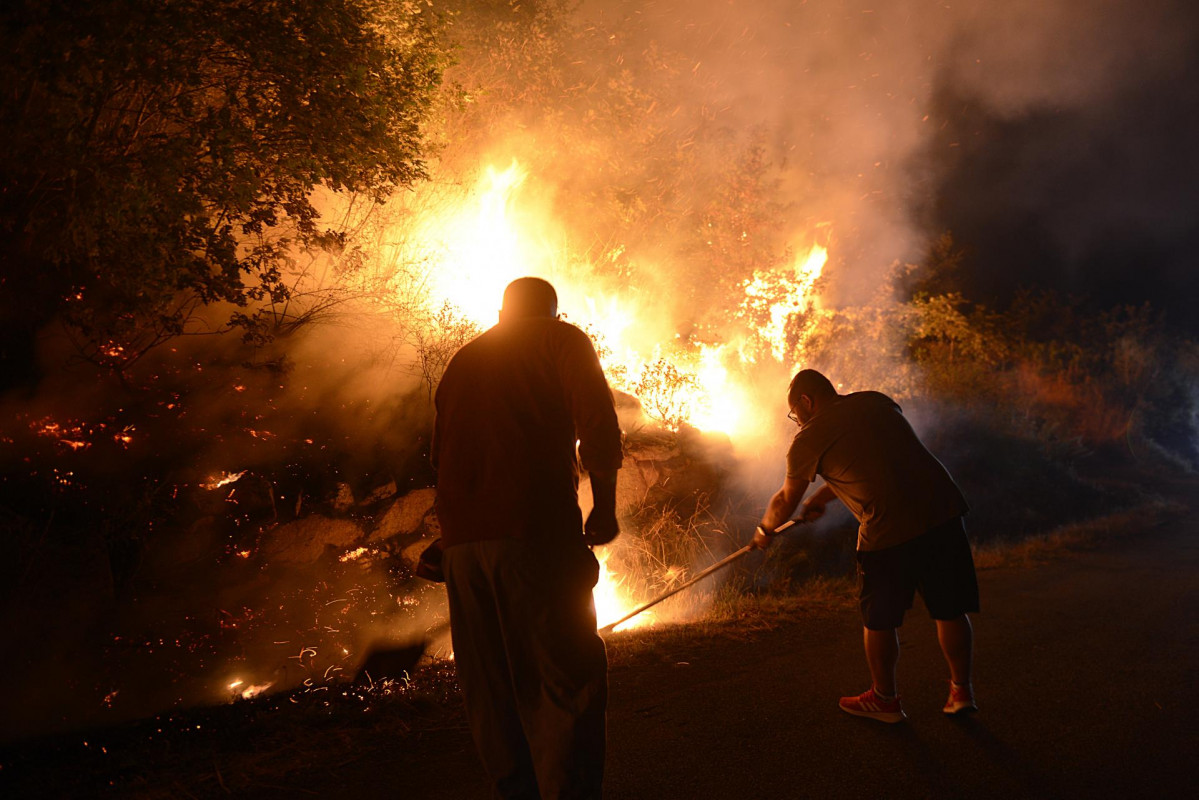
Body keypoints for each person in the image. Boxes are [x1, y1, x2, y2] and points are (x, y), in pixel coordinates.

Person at [432, 277, 622, 798]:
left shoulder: (461, 362)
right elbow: (599, 427)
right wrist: (602, 509)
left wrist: (448, 538)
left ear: (500, 313)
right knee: (564, 681)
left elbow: (444, 458)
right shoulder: (560, 339)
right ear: (552, 314)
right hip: (535, 534)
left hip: (463, 549)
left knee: (491, 691)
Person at [754, 369, 979, 723]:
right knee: (950, 608)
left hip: (889, 530)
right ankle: (961, 692)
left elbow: (785, 500)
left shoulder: (808, 437)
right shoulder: (876, 401)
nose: (796, 421)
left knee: (879, 620)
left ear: (806, 401)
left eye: (794, 413)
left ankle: (885, 700)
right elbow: (880, 460)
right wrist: (825, 496)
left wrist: (764, 529)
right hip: (943, 510)